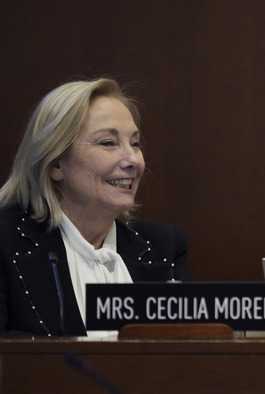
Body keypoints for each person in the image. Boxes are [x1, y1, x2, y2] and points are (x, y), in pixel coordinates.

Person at [0, 78, 192, 337]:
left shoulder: (163, 246)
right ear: (56, 163)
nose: (133, 160)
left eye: (135, 143)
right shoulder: (7, 242)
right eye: (108, 143)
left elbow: (187, 355)